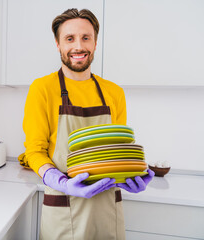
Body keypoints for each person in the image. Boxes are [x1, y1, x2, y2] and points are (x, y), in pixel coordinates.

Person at [22, 8, 154, 240]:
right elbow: (34, 152)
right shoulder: (41, 89)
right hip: (63, 202)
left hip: (106, 205)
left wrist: (131, 176)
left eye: (86, 37)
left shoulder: (114, 93)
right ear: (58, 44)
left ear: (95, 43)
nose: (78, 47)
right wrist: (61, 182)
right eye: (69, 38)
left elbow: (116, 151)